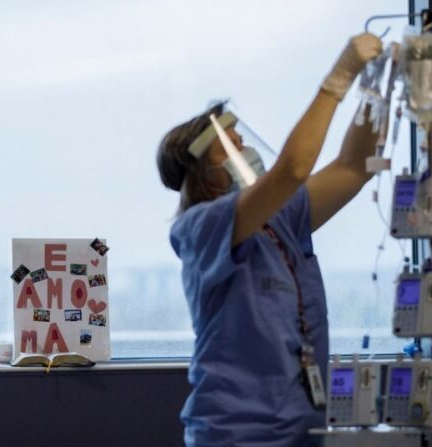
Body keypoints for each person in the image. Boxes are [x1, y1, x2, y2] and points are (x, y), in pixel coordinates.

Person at [156, 33, 382, 446]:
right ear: (203, 174)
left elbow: (353, 167)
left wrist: (376, 91)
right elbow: (292, 170)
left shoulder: (279, 220)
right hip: (236, 432)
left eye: (244, 143)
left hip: (298, 427)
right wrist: (338, 79)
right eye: (231, 150)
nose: (247, 154)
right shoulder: (199, 228)